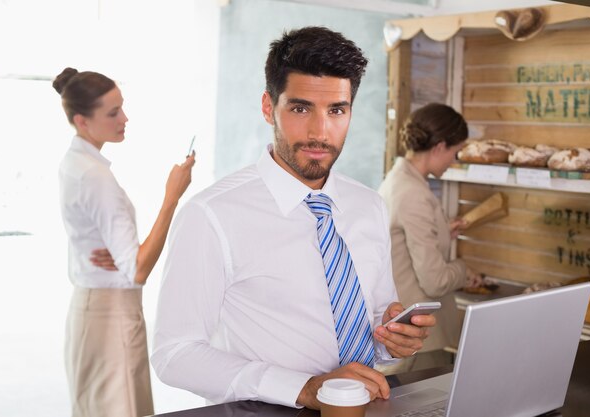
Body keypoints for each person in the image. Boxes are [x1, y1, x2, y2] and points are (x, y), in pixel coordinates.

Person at [151, 26, 436, 411]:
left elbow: (374, 319)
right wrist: (303, 388)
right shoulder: (212, 215)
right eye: (301, 108)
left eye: (337, 110)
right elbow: (175, 354)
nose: (321, 132)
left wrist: (391, 339)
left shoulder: (368, 205)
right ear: (269, 107)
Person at [53, 67, 195, 417]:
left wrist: (118, 255)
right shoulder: (96, 178)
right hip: (112, 316)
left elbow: (88, 234)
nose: (125, 118)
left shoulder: (73, 163)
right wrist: (172, 196)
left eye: (122, 107)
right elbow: (138, 270)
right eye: (113, 112)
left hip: (88, 310)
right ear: (82, 121)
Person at [377, 103, 483, 373]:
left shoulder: (398, 179)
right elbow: (434, 282)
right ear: (439, 147)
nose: (454, 160)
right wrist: (463, 269)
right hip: (419, 339)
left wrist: (442, 230)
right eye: (455, 152)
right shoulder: (414, 193)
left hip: (407, 331)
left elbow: (402, 239)